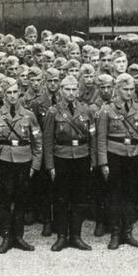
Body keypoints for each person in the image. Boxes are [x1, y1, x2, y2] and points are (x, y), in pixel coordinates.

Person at [0, 76, 43, 253]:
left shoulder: (29, 115)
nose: (12, 96)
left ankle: (19, 237)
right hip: (4, 161)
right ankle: (7, 236)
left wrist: (35, 165)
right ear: (3, 95)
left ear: (20, 93)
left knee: (22, 200)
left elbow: (37, 141)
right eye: (8, 92)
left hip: (25, 161)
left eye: (15, 92)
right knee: (4, 200)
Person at [41, 75, 95, 252]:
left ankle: (76, 236)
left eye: (74, 90)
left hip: (81, 157)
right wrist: (50, 165)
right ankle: (62, 236)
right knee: (61, 199)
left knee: (79, 198)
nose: (71, 93)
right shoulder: (53, 112)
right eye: (67, 90)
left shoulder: (86, 110)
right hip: (61, 157)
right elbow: (47, 139)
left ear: (78, 91)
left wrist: (92, 161)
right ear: (61, 91)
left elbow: (92, 138)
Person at [96, 73, 138, 250]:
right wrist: (103, 163)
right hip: (114, 154)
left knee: (130, 194)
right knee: (114, 195)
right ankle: (116, 233)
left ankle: (128, 232)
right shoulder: (107, 109)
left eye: (131, 89)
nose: (128, 93)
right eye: (125, 89)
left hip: (133, 155)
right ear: (117, 90)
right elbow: (101, 138)